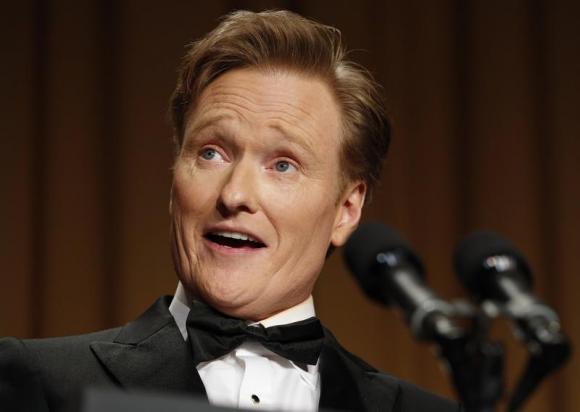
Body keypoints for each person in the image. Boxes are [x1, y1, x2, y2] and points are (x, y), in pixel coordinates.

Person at [0, 10, 461, 412]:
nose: (235, 194)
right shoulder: (41, 382)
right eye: (211, 153)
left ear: (346, 209)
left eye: (283, 164)